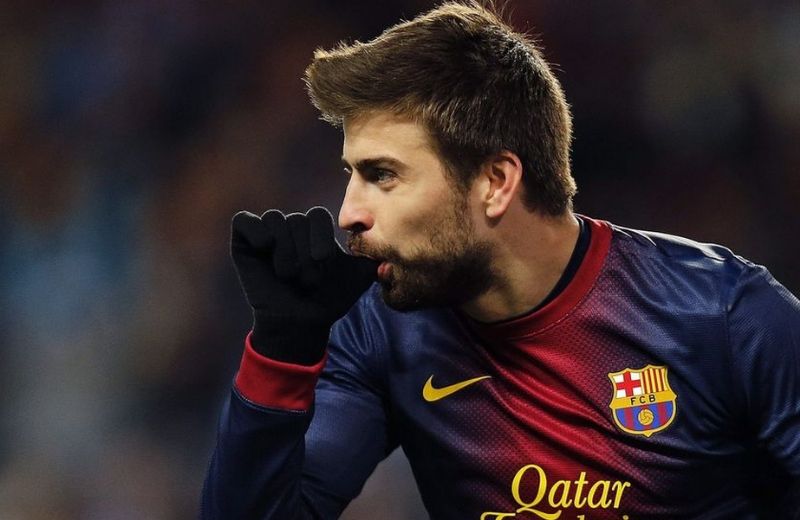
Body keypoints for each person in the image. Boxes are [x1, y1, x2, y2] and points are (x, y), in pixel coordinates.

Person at [201, 2, 800, 518]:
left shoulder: (725, 319)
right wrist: (282, 352)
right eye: (351, 175)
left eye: (382, 175)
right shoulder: (381, 332)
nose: (349, 212)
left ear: (495, 182)